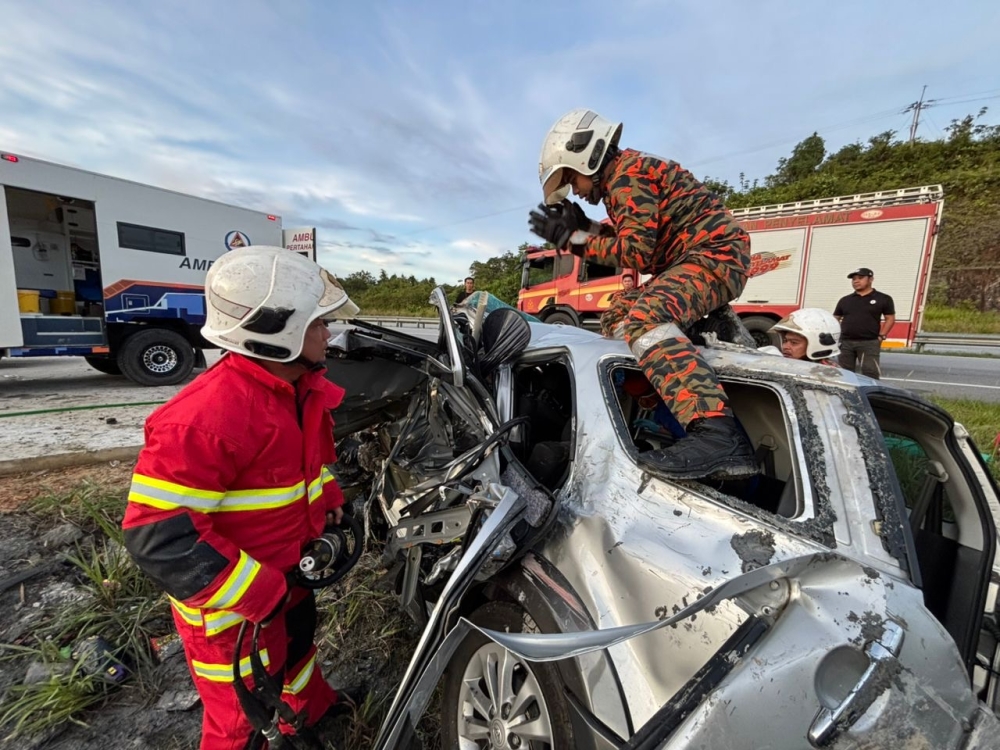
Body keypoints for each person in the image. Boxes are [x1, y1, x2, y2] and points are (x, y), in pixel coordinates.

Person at [122, 246, 361, 750]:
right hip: (232, 612)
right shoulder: (205, 418)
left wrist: (331, 499)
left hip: (286, 580)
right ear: (278, 333)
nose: (328, 333)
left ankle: (310, 715)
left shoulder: (298, 391)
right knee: (242, 718)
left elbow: (303, 471)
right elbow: (159, 538)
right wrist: (258, 593)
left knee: (297, 657)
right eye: (318, 323)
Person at [529, 108, 756, 480]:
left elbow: (636, 253)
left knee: (645, 316)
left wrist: (573, 238)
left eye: (572, 180)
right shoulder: (625, 177)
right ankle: (657, 396)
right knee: (617, 315)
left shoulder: (626, 177)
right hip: (693, 260)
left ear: (586, 157)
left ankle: (718, 434)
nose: (578, 193)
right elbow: (636, 240)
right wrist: (583, 229)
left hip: (715, 257)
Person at [834, 267, 895, 379]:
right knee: (844, 374)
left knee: (870, 373)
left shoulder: (883, 298)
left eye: (860, 278)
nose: (856, 281)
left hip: (869, 342)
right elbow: (835, 318)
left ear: (871, 279)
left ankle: (872, 395)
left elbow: (890, 318)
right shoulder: (845, 300)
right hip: (846, 342)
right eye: (854, 279)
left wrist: (881, 336)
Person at [771, 308, 841, 366]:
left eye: (794, 342)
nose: (785, 347)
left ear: (816, 345)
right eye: (785, 341)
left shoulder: (828, 374)